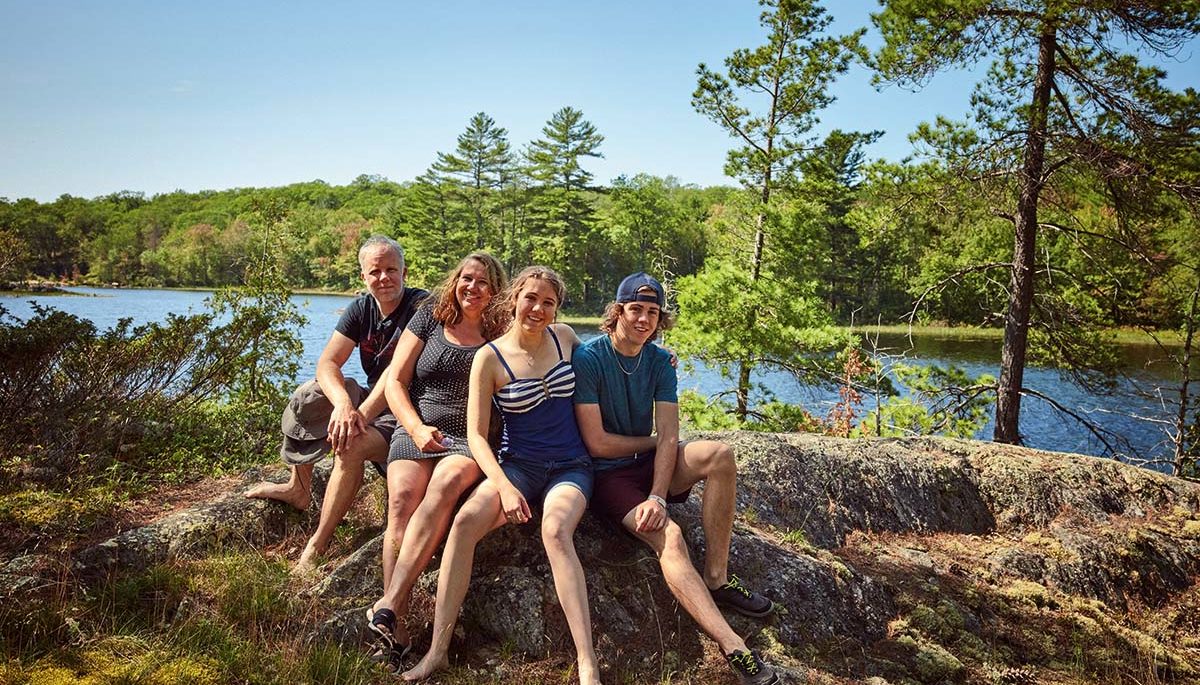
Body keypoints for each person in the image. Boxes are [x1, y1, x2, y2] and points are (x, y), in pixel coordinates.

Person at [572, 272, 780, 685]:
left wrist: (658, 495)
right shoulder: (590, 359)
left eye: (652, 312)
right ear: (617, 313)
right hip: (610, 476)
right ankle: (733, 645)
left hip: (648, 468)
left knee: (718, 454)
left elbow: (671, 432)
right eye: (635, 310)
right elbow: (597, 443)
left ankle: (717, 577)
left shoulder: (659, 361)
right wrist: (654, 446)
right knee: (670, 538)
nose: (644, 320)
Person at [401, 266, 601, 685]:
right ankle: (438, 650)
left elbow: (607, 364)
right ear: (514, 299)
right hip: (518, 466)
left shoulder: (565, 338)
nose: (538, 309)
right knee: (464, 523)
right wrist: (506, 488)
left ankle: (587, 664)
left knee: (555, 531)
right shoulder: (488, 358)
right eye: (531, 298)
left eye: (549, 302)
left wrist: (657, 355)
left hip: (570, 466)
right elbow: (475, 435)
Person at [245, 235, 426, 574]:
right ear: (363, 276)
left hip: (407, 406)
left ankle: (318, 542)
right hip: (372, 400)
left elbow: (395, 376)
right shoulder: (361, 308)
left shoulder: (420, 307)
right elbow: (328, 363)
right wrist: (343, 404)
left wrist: (360, 417)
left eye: (392, 270)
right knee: (310, 395)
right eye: (375, 271)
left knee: (351, 445)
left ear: (405, 271)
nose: (384, 278)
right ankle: (298, 488)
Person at [363, 252, 508, 671]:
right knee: (401, 502)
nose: (472, 288)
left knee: (444, 487)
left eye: (483, 282)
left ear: (495, 289)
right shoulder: (430, 316)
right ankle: (399, 631)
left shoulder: (503, 329)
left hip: (470, 439)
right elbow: (395, 380)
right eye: (466, 279)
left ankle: (388, 604)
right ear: (456, 281)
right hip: (419, 430)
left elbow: (556, 340)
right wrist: (414, 428)